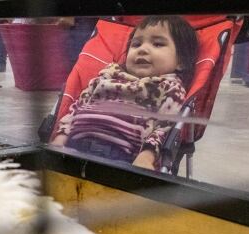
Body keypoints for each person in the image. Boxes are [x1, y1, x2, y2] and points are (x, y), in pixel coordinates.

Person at [51, 16, 198, 170]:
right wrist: (61, 137)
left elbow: (164, 127)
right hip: (73, 145)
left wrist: (146, 157)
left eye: (158, 44)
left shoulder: (169, 87)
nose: (142, 49)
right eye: (136, 44)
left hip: (121, 157)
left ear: (181, 61)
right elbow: (78, 106)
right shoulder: (108, 74)